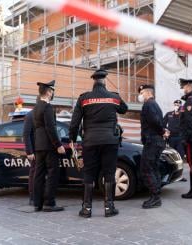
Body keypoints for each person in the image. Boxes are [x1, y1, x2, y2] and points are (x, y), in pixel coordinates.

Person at [69, 69, 128, 218]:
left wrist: (72, 139)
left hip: (90, 142)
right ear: (104, 81)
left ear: (93, 81)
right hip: (110, 141)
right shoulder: (113, 97)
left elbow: (74, 122)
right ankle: (109, 208)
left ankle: (86, 209)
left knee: (89, 174)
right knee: (109, 174)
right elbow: (124, 109)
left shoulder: (84, 98)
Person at [33, 80, 66, 212]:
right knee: (53, 173)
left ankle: (37, 203)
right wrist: (58, 144)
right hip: (48, 145)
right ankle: (49, 203)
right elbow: (50, 128)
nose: (52, 94)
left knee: (39, 174)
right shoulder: (47, 107)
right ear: (48, 92)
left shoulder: (36, 107)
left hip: (38, 145)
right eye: (52, 91)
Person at [138, 84, 169, 209]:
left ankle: (155, 197)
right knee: (153, 167)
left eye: (142, 93)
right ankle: (156, 194)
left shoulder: (149, 104)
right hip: (156, 141)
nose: (140, 95)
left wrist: (162, 131)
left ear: (148, 93)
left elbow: (155, 121)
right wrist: (163, 131)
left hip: (152, 141)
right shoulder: (154, 104)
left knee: (146, 168)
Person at [23, 108, 36, 206]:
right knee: (34, 173)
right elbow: (26, 134)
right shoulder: (31, 115)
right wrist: (29, 152)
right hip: (34, 151)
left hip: (40, 149)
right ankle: (32, 197)